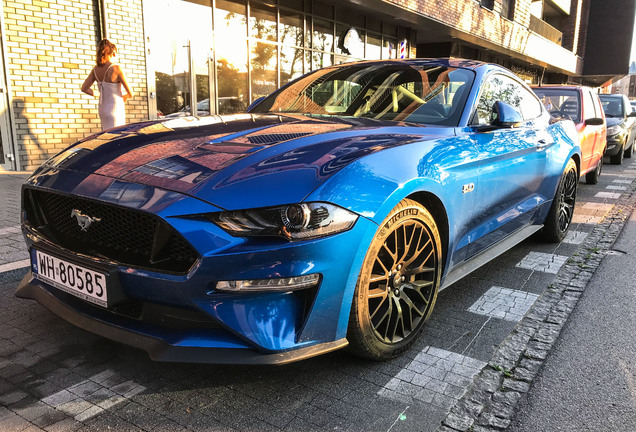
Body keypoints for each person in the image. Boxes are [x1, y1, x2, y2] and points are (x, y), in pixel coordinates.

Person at [81, 39, 134, 130]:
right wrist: (124, 97)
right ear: (113, 53)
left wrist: (100, 94)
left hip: (103, 109)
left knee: (107, 134)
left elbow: (84, 88)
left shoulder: (95, 70)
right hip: (115, 108)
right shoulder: (116, 68)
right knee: (117, 136)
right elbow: (131, 93)